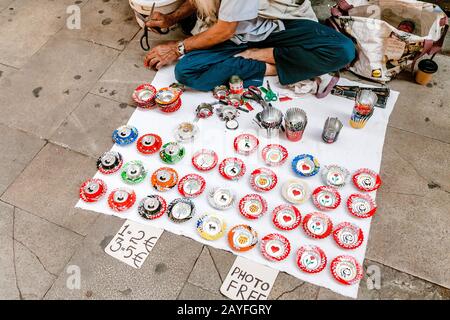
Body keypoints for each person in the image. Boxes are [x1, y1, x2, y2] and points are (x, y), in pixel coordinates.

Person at [144, 0, 355, 91]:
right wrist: (171, 19)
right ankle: (269, 67)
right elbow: (195, 2)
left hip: (276, 24)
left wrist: (177, 48)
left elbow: (223, 30)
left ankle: (267, 56)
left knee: (343, 50)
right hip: (235, 35)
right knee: (186, 72)